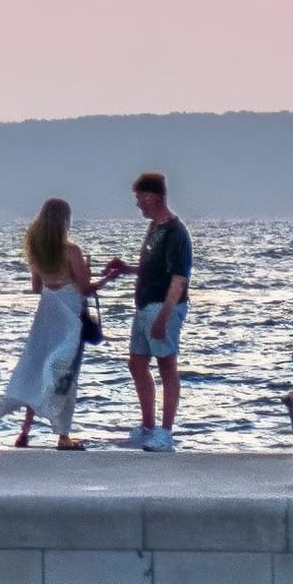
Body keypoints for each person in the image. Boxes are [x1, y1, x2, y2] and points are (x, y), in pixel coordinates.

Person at [0, 198, 95, 450]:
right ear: (64, 221)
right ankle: (63, 436)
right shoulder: (72, 251)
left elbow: (37, 287)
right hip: (70, 318)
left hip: (46, 317)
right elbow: (86, 288)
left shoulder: (37, 251)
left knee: (38, 370)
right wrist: (106, 277)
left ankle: (24, 433)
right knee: (65, 373)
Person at [115, 171, 193, 453]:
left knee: (166, 366)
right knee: (136, 363)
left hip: (164, 306)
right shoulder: (154, 229)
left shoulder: (175, 232)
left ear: (153, 197)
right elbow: (155, 268)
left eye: (139, 198)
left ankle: (166, 432)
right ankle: (147, 426)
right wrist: (127, 270)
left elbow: (178, 278)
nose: (137, 204)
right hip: (144, 305)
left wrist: (164, 317)